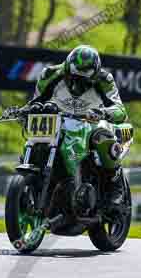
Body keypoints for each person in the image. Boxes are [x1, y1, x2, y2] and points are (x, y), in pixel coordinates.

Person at [14, 45, 128, 207]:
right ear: (67, 70)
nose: (76, 86)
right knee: (37, 138)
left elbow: (121, 111)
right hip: (60, 120)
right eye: (73, 79)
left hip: (91, 121)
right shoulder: (50, 74)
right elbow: (36, 102)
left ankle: (115, 187)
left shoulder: (105, 80)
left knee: (102, 137)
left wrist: (103, 112)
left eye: (83, 82)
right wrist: (23, 111)